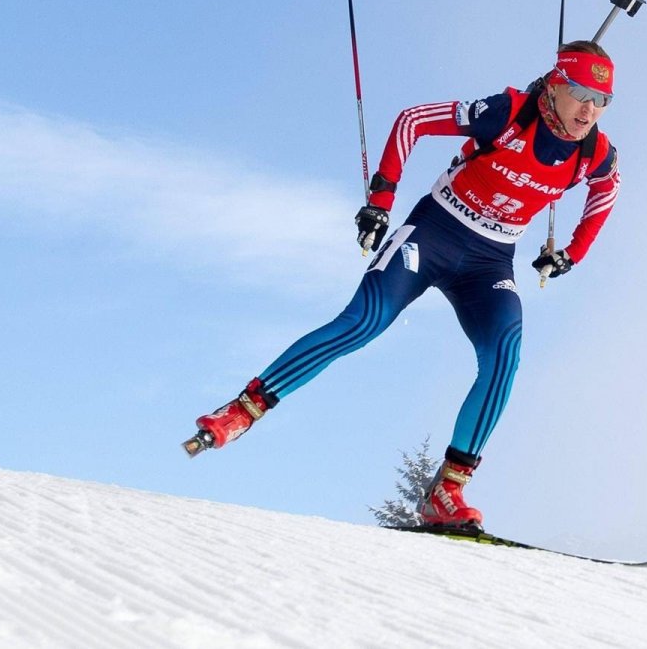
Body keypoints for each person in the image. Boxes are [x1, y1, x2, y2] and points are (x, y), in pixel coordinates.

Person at [189, 40, 622, 530]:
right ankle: (243, 409)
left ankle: (448, 489)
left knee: (505, 355)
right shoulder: (507, 112)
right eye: (581, 92)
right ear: (555, 83)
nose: (590, 109)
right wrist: (381, 197)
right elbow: (413, 120)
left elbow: (608, 191)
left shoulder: (595, 152)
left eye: (603, 100)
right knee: (363, 323)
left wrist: (572, 252)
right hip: (435, 232)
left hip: (491, 261)